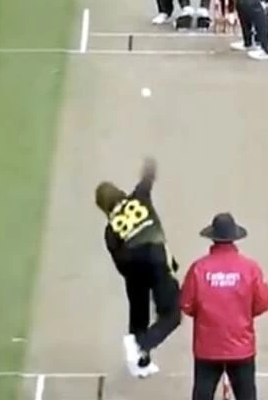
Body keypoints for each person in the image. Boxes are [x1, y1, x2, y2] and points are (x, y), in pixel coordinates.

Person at [94, 157, 181, 378]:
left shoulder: (110, 231)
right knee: (171, 315)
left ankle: (140, 361)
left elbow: (120, 263)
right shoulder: (139, 198)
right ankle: (141, 344)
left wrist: (135, 277)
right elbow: (146, 181)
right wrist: (149, 169)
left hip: (133, 268)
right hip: (155, 258)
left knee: (138, 314)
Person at [180, 213, 268, 400]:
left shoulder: (198, 268)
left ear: (212, 237)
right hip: (241, 347)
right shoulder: (250, 268)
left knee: (202, 395)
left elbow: (186, 304)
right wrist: (244, 313)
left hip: (208, 347)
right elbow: (263, 302)